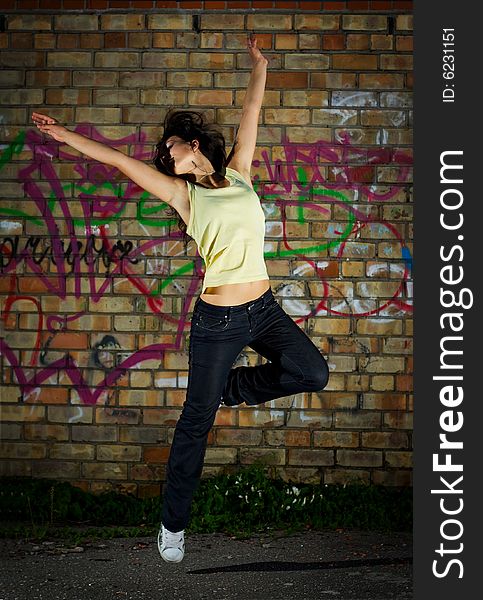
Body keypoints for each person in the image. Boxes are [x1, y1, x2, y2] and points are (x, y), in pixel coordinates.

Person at [32, 34, 329, 564]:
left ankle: (230, 389)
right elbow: (120, 162)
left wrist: (258, 64)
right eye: (163, 154)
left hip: (264, 310)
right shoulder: (181, 195)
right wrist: (64, 136)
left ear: (192, 145)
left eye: (170, 146)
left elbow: (251, 109)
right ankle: (173, 525)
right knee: (196, 421)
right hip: (219, 320)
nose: (164, 156)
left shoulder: (239, 174)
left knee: (312, 371)